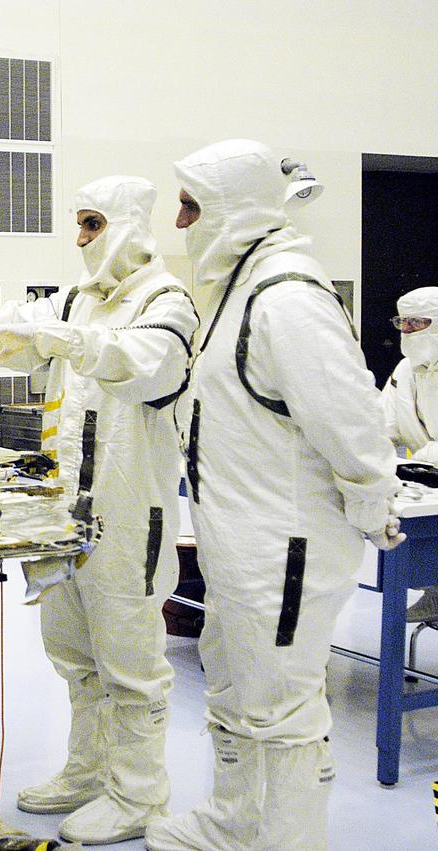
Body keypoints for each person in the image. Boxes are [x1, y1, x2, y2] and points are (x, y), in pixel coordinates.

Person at [0, 176, 198, 845]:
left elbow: (146, 364)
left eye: (92, 224)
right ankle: (87, 768)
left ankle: (138, 793)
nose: (80, 239)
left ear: (128, 224)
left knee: (130, 659)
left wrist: (70, 341)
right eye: (79, 224)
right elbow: (28, 338)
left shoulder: (166, 301)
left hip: (132, 512)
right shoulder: (79, 298)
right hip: (66, 509)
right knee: (75, 652)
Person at [145, 140, 402, 851]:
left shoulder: (286, 294)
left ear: (233, 208)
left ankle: (287, 840)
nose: (180, 220)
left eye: (192, 205)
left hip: (286, 549)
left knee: (284, 704)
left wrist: (373, 498)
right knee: (234, 682)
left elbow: (349, 416)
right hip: (241, 545)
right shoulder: (238, 286)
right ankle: (237, 820)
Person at [382, 287, 438, 622]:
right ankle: (433, 593)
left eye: (417, 322)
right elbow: (379, 424)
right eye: (402, 322)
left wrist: (424, 457)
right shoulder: (405, 372)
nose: (407, 331)